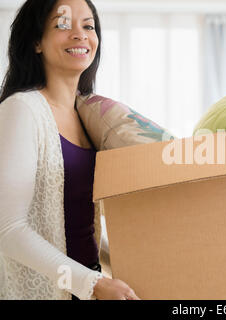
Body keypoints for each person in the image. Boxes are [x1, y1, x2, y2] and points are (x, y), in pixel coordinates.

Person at [0, 0, 139, 300]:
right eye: (63, 24)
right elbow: (8, 230)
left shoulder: (88, 114)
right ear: (36, 41)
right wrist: (93, 283)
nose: (80, 34)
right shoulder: (22, 109)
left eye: (88, 26)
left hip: (87, 286)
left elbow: (81, 223)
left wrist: (121, 265)